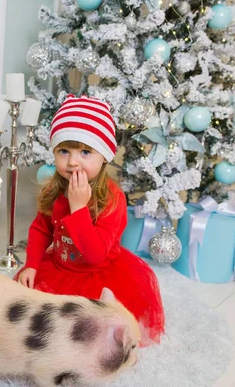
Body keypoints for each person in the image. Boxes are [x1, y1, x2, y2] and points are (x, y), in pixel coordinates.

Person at [16, 94, 165, 345]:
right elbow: (41, 229)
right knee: (38, 323)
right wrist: (31, 263)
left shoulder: (113, 199)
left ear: (104, 156)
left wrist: (78, 209)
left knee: (93, 335)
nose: (73, 161)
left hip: (99, 275)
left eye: (85, 151)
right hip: (61, 268)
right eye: (64, 150)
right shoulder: (54, 191)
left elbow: (94, 254)